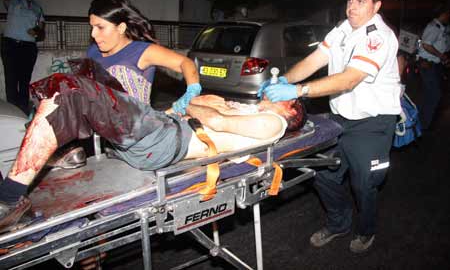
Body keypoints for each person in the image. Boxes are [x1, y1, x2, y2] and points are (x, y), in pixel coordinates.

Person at [0, 70, 305, 232]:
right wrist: (204, 105)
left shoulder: (272, 123)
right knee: (87, 73)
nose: (275, 87)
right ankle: (63, 148)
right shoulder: (253, 112)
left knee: (69, 89)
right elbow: (207, 108)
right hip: (162, 129)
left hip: (166, 139)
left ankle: (10, 198)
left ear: (291, 109)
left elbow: (211, 116)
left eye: (284, 92)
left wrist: (201, 105)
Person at [259, 0, 401, 253]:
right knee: (322, 173)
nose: (352, 6)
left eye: (360, 1)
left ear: (376, 5)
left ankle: (365, 230)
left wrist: (297, 91)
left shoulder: (378, 37)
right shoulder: (343, 29)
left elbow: (348, 80)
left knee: (364, 184)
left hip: (372, 123)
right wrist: (282, 82)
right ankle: (339, 223)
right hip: (339, 118)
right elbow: (315, 61)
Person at [87, 0, 201, 115]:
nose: (93, 34)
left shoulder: (142, 51)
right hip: (99, 127)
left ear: (120, 28)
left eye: (100, 27)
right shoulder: (93, 51)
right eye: (92, 27)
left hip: (138, 130)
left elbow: (185, 63)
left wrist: (191, 94)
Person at [1, 0, 45, 115]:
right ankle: (12, 113)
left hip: (28, 48)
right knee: (11, 81)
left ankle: (22, 113)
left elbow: (41, 31)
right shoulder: (12, 2)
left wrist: (37, 32)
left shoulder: (37, 7)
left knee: (24, 80)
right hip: (10, 45)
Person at [416, 4, 450, 130]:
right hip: (427, 65)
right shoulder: (434, 27)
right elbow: (426, 45)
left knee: (429, 95)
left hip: (433, 65)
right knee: (434, 95)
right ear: (443, 14)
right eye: (447, 13)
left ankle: (420, 122)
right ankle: (422, 125)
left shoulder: (441, 28)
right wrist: (441, 56)